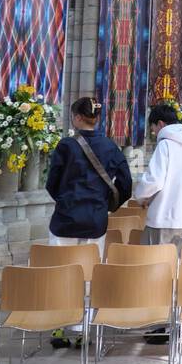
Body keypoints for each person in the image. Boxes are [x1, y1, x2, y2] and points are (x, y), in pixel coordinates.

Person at [44, 97, 131, 348]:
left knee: (61, 271)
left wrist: (65, 201)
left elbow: (52, 182)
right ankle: (84, 329)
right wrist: (107, 205)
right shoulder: (110, 146)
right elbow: (125, 184)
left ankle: (61, 327)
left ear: (78, 117)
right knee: (89, 273)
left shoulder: (67, 145)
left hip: (66, 219)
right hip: (95, 219)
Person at [135, 103, 182, 253]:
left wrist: (141, 196)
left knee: (151, 267)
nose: (153, 132)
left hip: (162, 220)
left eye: (153, 128)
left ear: (160, 124)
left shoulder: (165, 145)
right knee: (173, 269)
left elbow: (154, 180)